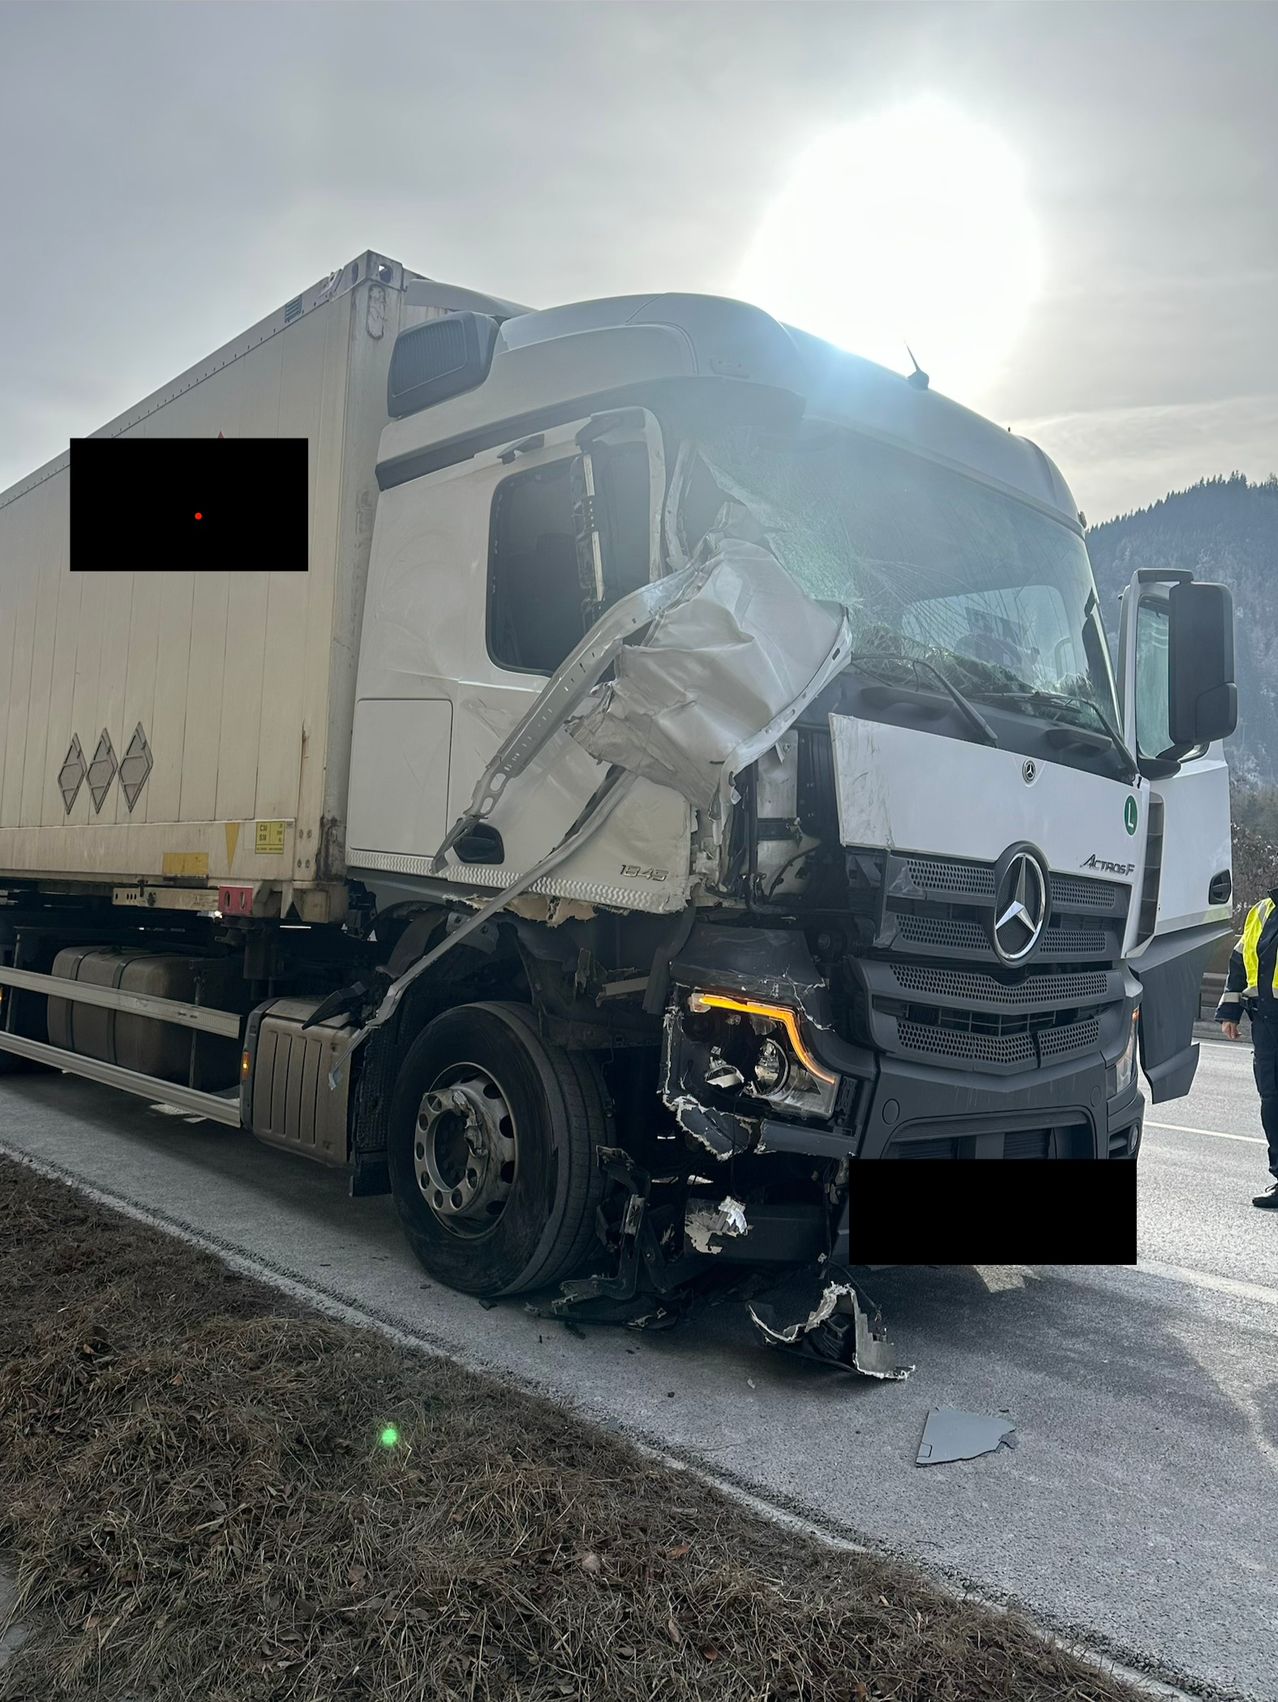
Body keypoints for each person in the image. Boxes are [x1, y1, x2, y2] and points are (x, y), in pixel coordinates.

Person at [1216, 885, 1278, 1208]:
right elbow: (1239, 962)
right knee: (1272, 1101)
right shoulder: (1261, 911)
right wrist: (1230, 1012)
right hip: (1266, 1025)